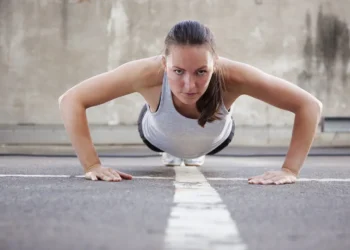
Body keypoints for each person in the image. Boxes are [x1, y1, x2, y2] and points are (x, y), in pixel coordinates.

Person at [58, 20, 322, 185]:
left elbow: (309, 106)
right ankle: (175, 150)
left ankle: (192, 153)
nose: (189, 85)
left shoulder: (234, 76)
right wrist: (92, 165)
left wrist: (290, 170)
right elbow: (72, 99)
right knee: (168, 127)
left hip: (215, 137)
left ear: (215, 64)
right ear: (164, 64)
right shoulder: (146, 73)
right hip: (157, 133)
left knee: (203, 134)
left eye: (201, 72)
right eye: (177, 71)